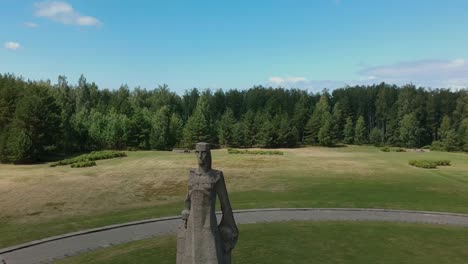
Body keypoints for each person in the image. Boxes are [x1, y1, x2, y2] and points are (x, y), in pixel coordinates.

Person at [177, 142, 238, 264]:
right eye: (197, 152)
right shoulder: (192, 176)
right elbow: (187, 200)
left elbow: (225, 204)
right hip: (192, 227)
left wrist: (229, 227)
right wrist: (186, 211)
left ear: (209, 154)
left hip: (208, 225)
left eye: (204, 152)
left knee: (211, 256)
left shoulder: (216, 176)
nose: (200, 156)